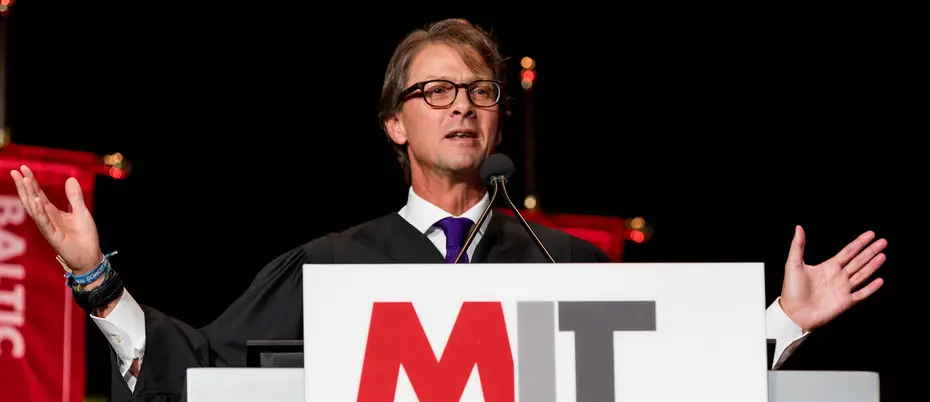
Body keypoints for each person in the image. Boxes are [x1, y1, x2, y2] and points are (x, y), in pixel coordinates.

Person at [9, 18, 886, 402]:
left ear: (500, 116)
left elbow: (671, 381)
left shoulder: (568, 267)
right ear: (396, 123)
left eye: (479, 91)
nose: (462, 105)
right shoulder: (328, 269)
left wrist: (781, 324)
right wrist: (94, 277)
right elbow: (196, 372)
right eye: (436, 91)